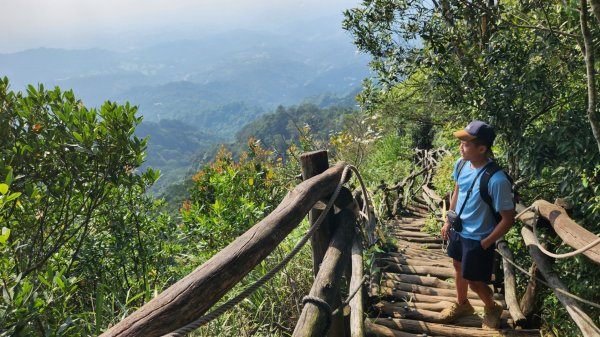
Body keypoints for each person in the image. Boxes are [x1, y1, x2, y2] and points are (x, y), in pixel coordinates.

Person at [439, 120, 516, 329]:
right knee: (457, 265)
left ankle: (491, 307)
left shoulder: (496, 179)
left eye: (465, 144)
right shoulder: (462, 163)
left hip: (479, 237)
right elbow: (457, 191)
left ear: (482, 149)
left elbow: (508, 218)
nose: (460, 147)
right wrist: (449, 220)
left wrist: (486, 242)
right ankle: (462, 304)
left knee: (474, 281)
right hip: (459, 229)